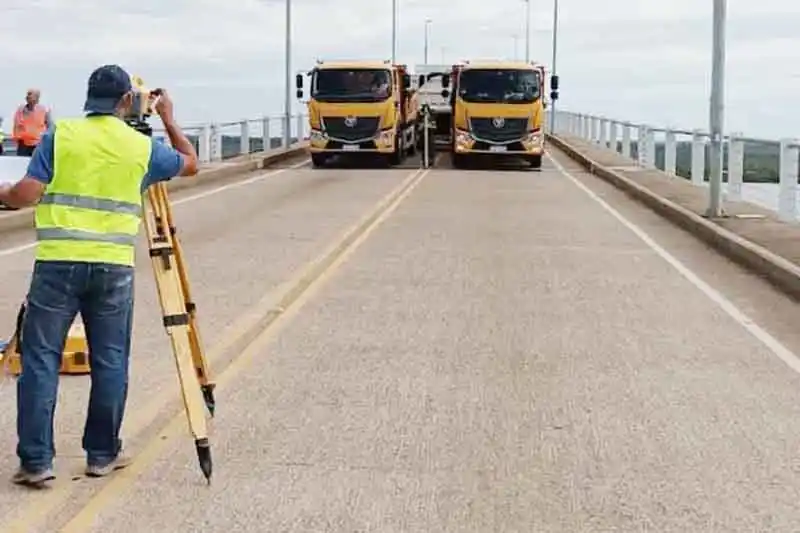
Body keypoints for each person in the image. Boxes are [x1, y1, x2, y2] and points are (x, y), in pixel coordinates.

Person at [0, 64, 199, 488]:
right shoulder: (139, 147)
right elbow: (190, 163)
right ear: (128, 101)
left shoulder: (62, 134)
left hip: (57, 264)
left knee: (39, 361)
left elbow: (26, 195)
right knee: (110, 360)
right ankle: (102, 454)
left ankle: (36, 461)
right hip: (113, 268)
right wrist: (167, 117)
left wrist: (3, 192)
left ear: (88, 97)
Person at [12, 89, 51, 156]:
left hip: (38, 144)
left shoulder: (43, 110)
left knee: (36, 164)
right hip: (23, 144)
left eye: (30, 94)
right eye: (27, 94)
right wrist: (17, 138)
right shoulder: (20, 110)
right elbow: (16, 125)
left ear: (37, 97)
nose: (27, 96)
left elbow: (49, 126)